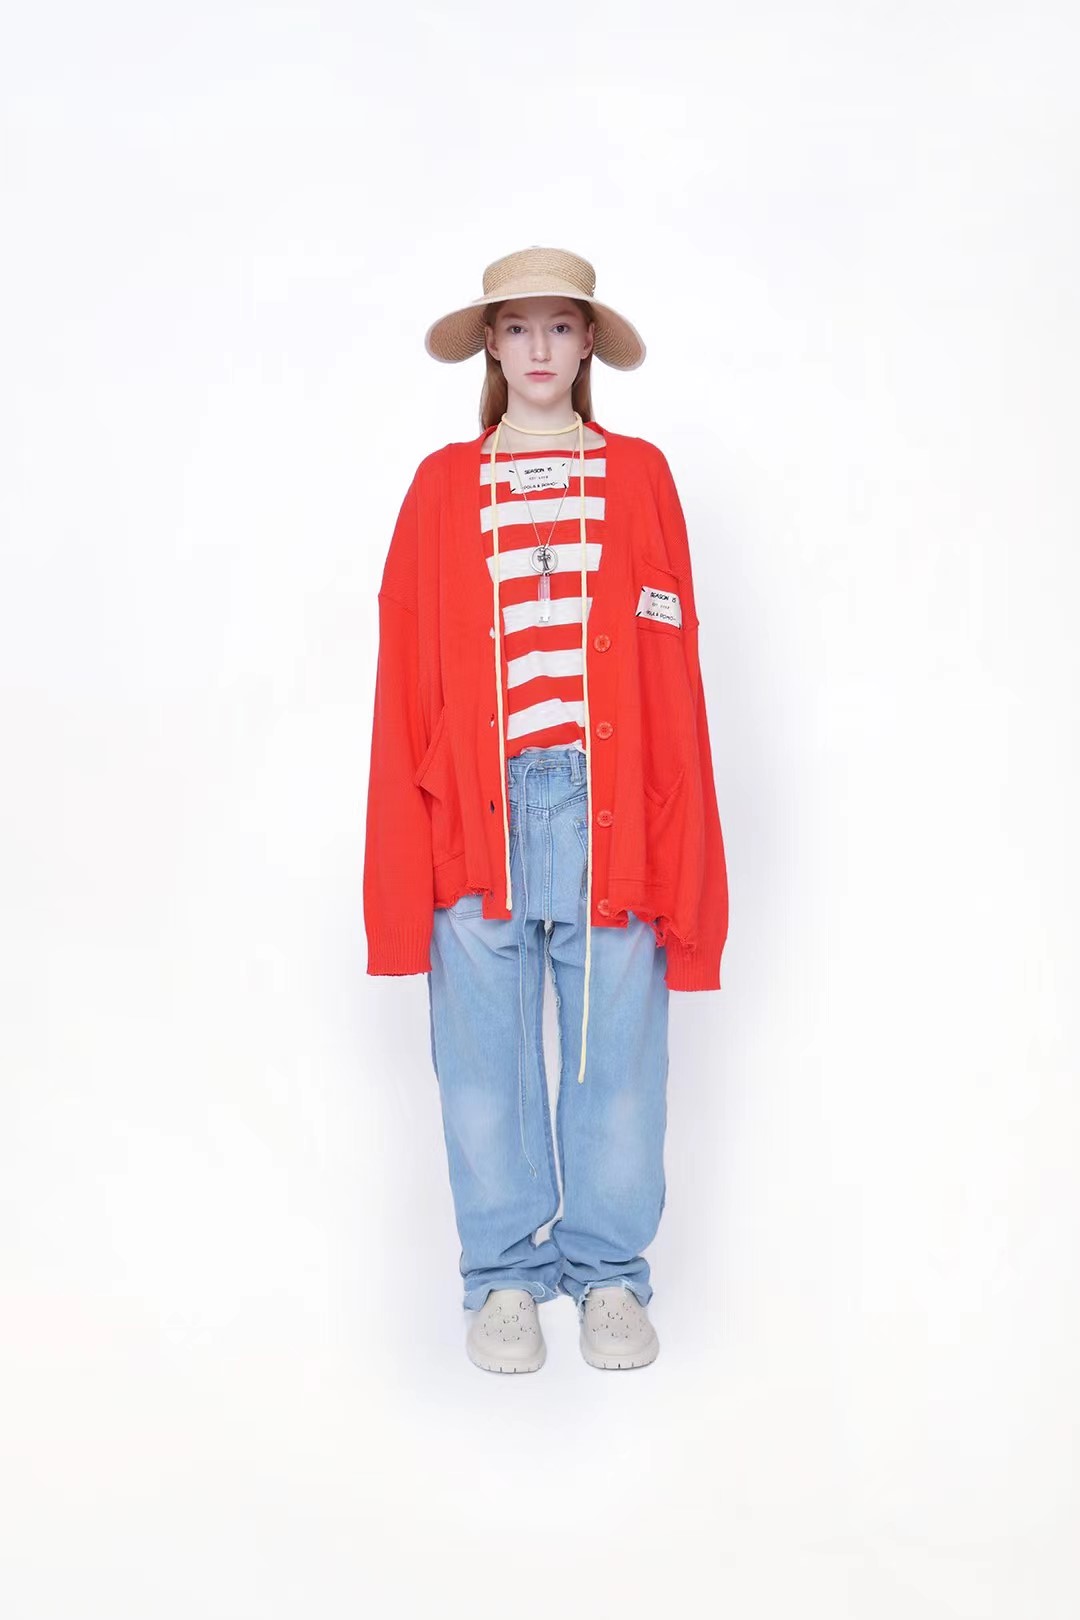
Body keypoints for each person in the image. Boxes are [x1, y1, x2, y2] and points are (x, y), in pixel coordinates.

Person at [363, 245, 728, 1373]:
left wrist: (677, 832)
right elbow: (404, 674)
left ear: (585, 345)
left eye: (559, 327)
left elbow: (672, 669)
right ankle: (504, 1280)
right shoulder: (441, 485)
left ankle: (609, 1273)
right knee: (484, 1061)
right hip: (477, 809)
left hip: (606, 803)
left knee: (617, 1054)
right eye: (516, 328)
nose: (537, 349)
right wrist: (403, 855)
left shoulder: (639, 475)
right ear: (490, 344)